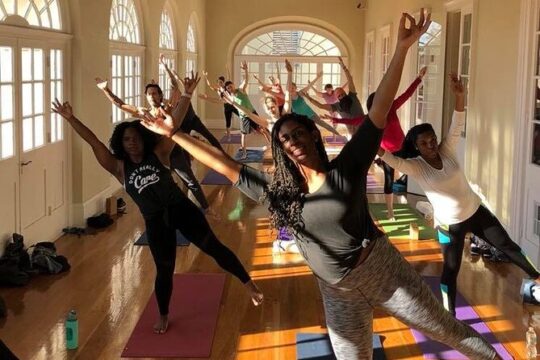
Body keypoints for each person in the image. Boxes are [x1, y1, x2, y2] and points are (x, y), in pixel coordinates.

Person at [140, 11, 500, 360]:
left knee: (449, 331)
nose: (293, 140)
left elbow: (378, 114)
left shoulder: (346, 169)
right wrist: (173, 133)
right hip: (336, 290)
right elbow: (226, 165)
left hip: (382, 271)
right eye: (285, 139)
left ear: (313, 134)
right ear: (280, 149)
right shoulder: (278, 195)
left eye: (299, 133)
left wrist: (403, 49)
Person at [52, 74, 263, 335]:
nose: (132, 143)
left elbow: (173, 126)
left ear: (144, 139)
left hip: (182, 210)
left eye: (136, 138)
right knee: (165, 270)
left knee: (215, 249)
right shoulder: (119, 167)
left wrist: (186, 94)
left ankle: (249, 284)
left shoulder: (158, 153)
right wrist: (70, 118)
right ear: (121, 143)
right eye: (127, 140)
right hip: (155, 221)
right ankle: (163, 314)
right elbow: (94, 142)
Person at [379, 73, 540, 317]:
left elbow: (457, 125)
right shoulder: (415, 166)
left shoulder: (446, 151)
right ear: (417, 147)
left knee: (509, 246)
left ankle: (538, 277)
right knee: (451, 270)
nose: (432, 145)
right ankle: (449, 314)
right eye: (425, 143)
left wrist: (460, 96)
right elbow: (388, 157)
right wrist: (368, 138)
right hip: (449, 226)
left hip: (476, 212)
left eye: (432, 139)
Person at [95, 56, 221, 218]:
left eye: (155, 93)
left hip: (173, 152)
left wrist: (173, 76)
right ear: (146, 96)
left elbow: (175, 87)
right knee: (163, 184)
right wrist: (106, 90)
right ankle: (168, 211)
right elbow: (120, 104)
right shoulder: (143, 112)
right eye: (149, 94)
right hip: (154, 155)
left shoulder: (168, 108)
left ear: (160, 96)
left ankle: (206, 209)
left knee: (190, 181)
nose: (152, 96)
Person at [328, 67, 426, 219]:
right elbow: (353, 120)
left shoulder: (392, 106)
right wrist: (336, 120)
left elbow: (406, 95)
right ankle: (390, 211)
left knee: (419, 165)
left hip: (403, 146)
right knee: (389, 180)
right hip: (388, 153)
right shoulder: (371, 117)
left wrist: (419, 78)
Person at [302, 56, 364, 137]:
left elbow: (350, 80)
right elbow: (320, 106)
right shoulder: (337, 106)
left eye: (342, 94)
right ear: (337, 97)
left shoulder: (352, 96)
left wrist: (343, 67)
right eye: (339, 95)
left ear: (345, 93)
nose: (341, 96)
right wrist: (308, 98)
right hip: (353, 132)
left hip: (364, 126)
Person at [225, 60, 271, 159]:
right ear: (227, 90)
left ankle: (272, 146)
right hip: (244, 117)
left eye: (231, 86)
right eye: (228, 88)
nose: (230, 88)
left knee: (262, 129)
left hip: (252, 113)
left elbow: (246, 80)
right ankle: (244, 153)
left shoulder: (241, 90)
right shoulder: (231, 98)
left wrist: (246, 70)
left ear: (233, 85)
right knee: (243, 135)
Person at [201, 71, 238, 138]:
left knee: (242, 115)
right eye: (218, 82)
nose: (219, 83)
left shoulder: (226, 87)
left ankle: (250, 127)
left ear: (223, 82)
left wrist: (228, 71)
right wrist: (205, 77)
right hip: (226, 106)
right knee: (228, 122)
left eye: (221, 82)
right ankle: (228, 136)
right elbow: (209, 85)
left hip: (233, 105)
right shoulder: (218, 89)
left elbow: (229, 78)